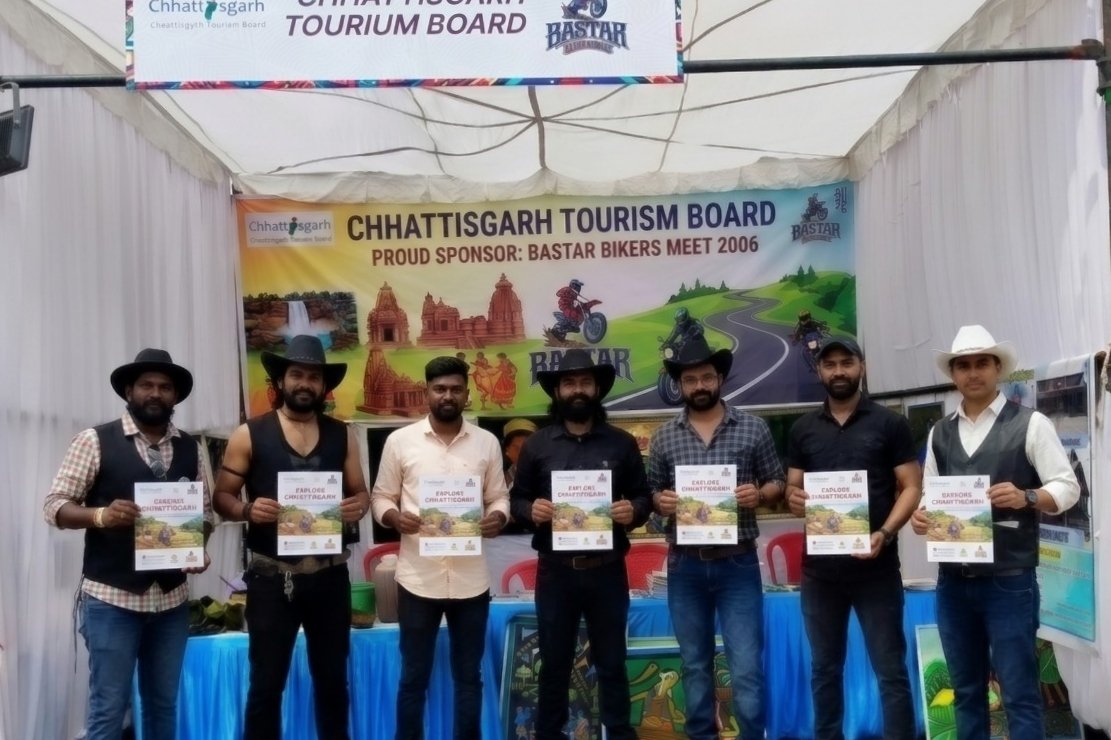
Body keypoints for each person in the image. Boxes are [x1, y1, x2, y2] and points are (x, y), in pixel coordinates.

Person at [910, 325, 1079, 740]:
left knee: (1020, 694)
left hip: (1009, 581)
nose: (973, 373)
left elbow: (1068, 487)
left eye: (981, 363)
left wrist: (1028, 496)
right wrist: (921, 516)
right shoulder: (939, 432)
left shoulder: (1031, 423)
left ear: (997, 368)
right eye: (963, 365)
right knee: (967, 693)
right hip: (952, 582)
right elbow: (930, 494)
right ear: (953, 374)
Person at [43, 348, 212, 740]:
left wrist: (196, 547)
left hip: (170, 603)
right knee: (109, 708)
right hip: (111, 600)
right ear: (128, 391)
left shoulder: (190, 447)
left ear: (175, 396)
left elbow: (204, 514)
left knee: (162, 706)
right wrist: (101, 515)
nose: (155, 393)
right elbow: (54, 507)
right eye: (146, 385)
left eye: (165, 387)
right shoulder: (94, 441)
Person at [213, 334, 371, 740]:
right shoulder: (249, 434)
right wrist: (247, 510)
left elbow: (360, 493)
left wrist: (357, 506)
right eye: (296, 374)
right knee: (266, 686)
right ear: (280, 381)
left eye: (314, 377)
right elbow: (222, 497)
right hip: (272, 578)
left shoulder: (343, 434)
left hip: (330, 576)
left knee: (333, 683)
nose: (305, 383)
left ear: (324, 386)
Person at [509, 349, 653, 740]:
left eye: (585, 382)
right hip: (556, 573)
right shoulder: (537, 445)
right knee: (554, 664)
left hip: (607, 571)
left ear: (597, 389)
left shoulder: (622, 443)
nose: (577, 390)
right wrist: (530, 509)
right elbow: (517, 499)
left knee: (612, 663)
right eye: (569, 383)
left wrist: (633, 511)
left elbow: (643, 497)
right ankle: (549, 735)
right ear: (557, 391)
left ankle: (619, 733)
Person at [647, 336, 785, 740]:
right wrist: (660, 501)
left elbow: (777, 481)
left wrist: (760, 494)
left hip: (737, 563)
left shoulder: (753, 428)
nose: (700, 386)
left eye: (707, 377)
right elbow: (651, 492)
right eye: (690, 380)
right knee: (694, 665)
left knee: (746, 666)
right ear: (680, 385)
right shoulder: (664, 436)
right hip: (685, 565)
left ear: (720, 378)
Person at [785, 337, 922, 740]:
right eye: (830, 365)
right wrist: (794, 498)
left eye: (847, 362)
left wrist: (885, 532)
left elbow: (912, 487)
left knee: (890, 670)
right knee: (824, 670)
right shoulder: (802, 428)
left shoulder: (890, 423)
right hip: (820, 574)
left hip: (877, 570)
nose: (839, 371)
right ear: (819, 371)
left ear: (862, 366)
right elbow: (793, 489)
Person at [371, 356, 510, 740]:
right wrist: (394, 518)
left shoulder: (486, 442)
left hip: (471, 581)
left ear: (467, 394)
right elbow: (381, 496)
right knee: (413, 677)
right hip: (418, 579)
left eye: (455, 389)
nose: (448, 396)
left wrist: (497, 517)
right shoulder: (400, 441)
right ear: (426, 393)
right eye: (440, 389)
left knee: (469, 677)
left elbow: (499, 497)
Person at [502, 417, 538, 488]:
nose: (521, 453)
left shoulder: (545, 476)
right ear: (507, 450)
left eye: (526, 448)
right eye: (516, 448)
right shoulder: (500, 480)